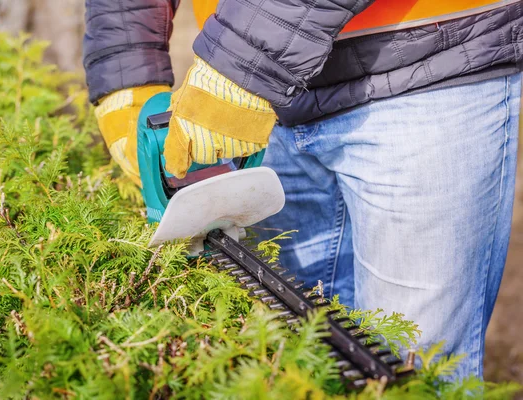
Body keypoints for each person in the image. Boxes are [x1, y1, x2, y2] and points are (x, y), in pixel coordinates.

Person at [83, 0, 523, 379]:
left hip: (428, 60)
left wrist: (248, 58)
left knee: (415, 363)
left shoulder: (248, 61)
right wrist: (127, 59)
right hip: (269, 88)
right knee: (299, 358)